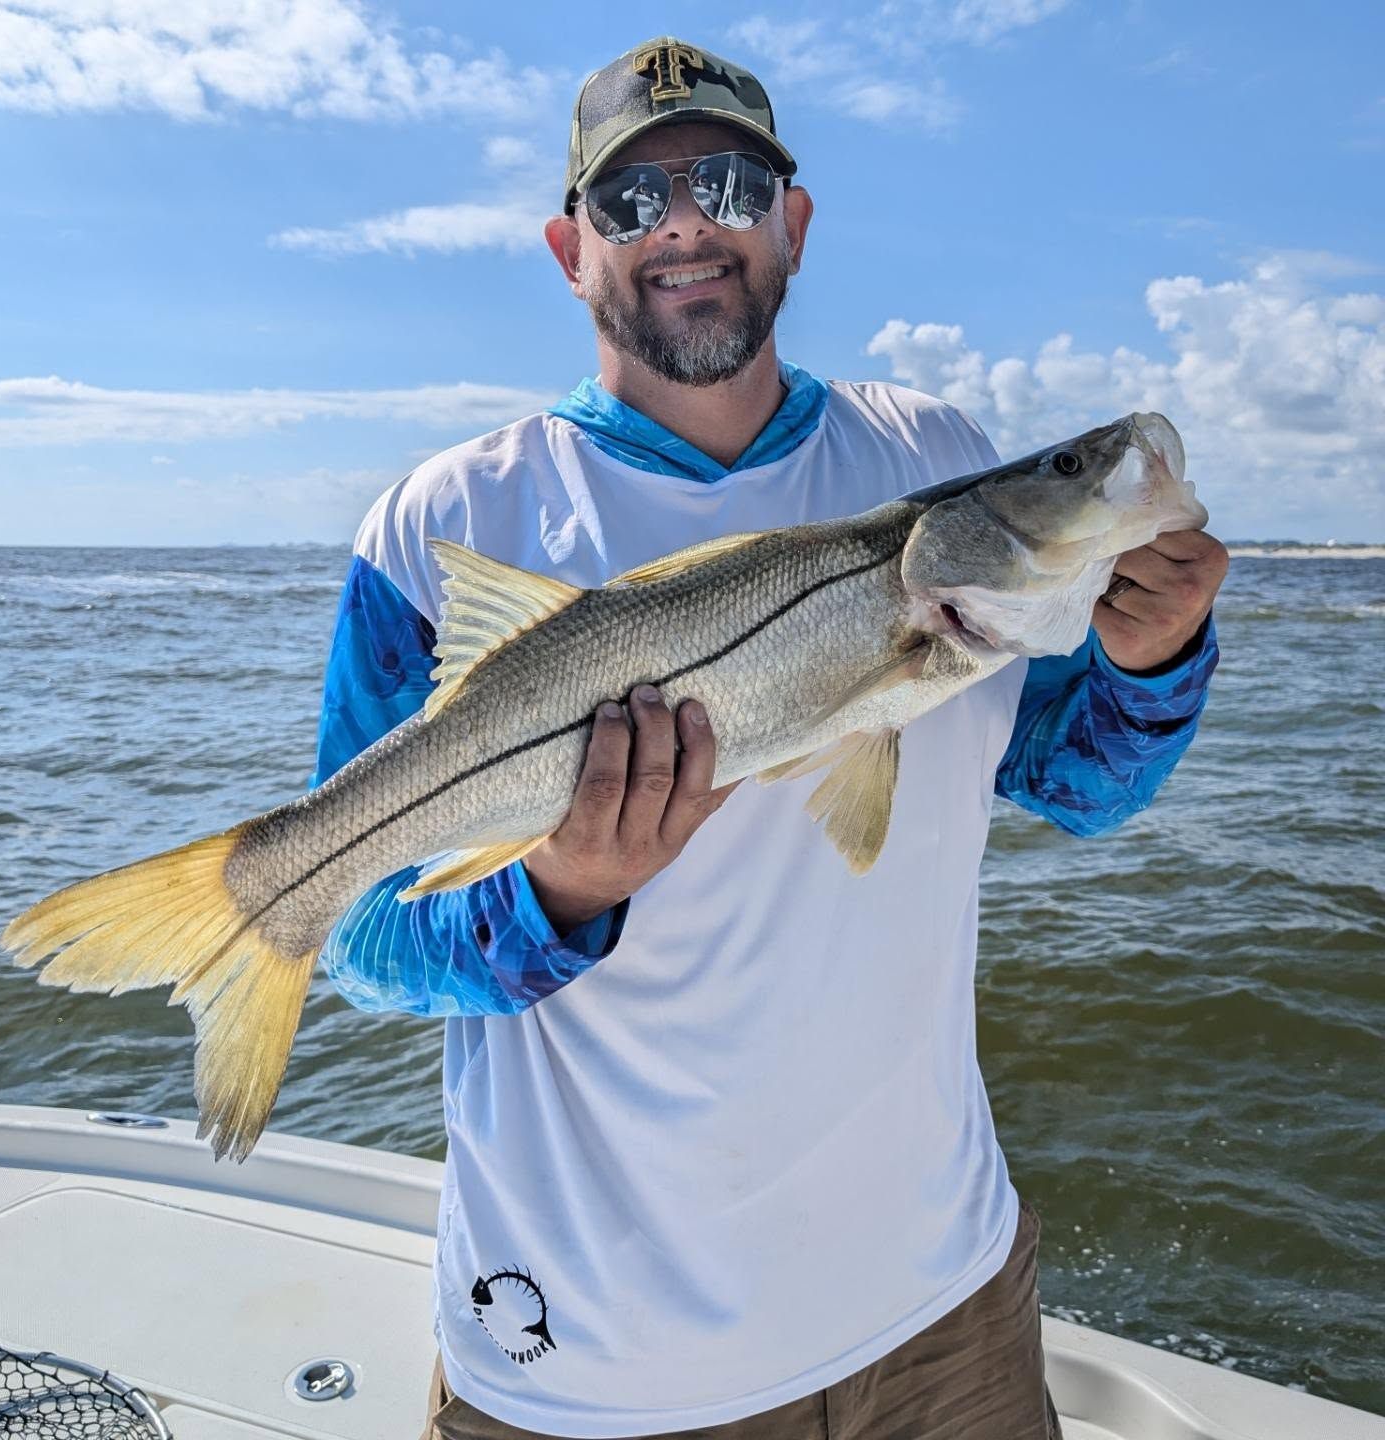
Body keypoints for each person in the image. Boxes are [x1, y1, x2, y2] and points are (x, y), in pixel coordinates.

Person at [312, 35, 1228, 1440]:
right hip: (596, 1372)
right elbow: (367, 941)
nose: (685, 225)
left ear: (792, 224)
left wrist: (1150, 656)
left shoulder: (930, 451)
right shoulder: (442, 524)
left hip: (943, 1319)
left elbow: (1079, 785)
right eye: (632, 203)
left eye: (730, 185)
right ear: (571, 249)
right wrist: (560, 898)